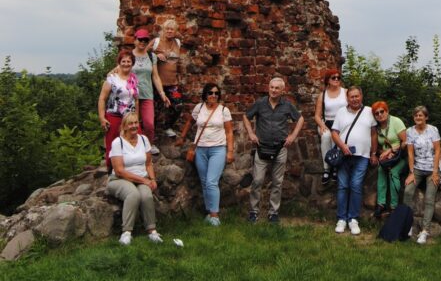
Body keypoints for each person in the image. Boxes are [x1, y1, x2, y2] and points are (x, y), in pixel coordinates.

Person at [244, 77, 304, 224]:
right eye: (272, 87)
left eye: (277, 88)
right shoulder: (260, 103)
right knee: (257, 180)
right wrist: (251, 133)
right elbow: (246, 116)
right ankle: (253, 212)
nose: (274, 90)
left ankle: (273, 213)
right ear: (268, 88)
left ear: (282, 90)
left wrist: (293, 136)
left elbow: (300, 119)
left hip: (280, 148)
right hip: (262, 147)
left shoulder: (287, 105)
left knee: (277, 182)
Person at [177, 83, 234, 225]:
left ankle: (215, 216)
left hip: (218, 149)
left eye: (216, 93)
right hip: (200, 149)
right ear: (205, 95)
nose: (213, 95)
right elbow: (190, 121)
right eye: (210, 93)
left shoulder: (223, 110)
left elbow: (229, 132)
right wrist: (182, 137)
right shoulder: (199, 108)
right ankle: (209, 213)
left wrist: (230, 151)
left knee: (211, 182)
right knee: (204, 182)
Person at [106, 111, 163, 245]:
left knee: (146, 196)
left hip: (141, 177)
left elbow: (148, 163)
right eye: (130, 123)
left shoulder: (143, 139)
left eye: (136, 122)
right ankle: (126, 233)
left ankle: (152, 231)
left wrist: (152, 179)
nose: (134, 126)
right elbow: (119, 170)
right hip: (119, 179)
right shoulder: (117, 143)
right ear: (124, 126)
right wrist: (145, 180)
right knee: (133, 194)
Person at [330, 86, 377, 236]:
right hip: (344, 155)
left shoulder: (369, 111)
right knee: (343, 186)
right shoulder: (341, 112)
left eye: (357, 96)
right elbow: (334, 133)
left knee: (356, 185)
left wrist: (374, 153)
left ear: (361, 96)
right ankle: (342, 219)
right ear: (347, 98)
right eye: (352, 97)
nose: (355, 99)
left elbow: (374, 134)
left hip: (362, 156)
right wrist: (342, 146)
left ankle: (353, 219)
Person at [404, 106, 441, 245]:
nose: (418, 118)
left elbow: (437, 151)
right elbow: (410, 153)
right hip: (417, 168)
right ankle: (408, 225)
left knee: (429, 198)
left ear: (426, 117)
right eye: (416, 115)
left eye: (421, 115)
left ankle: (425, 231)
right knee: (407, 191)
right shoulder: (410, 131)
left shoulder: (433, 130)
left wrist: (436, 172)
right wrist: (411, 173)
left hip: (432, 169)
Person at [130, 28, 170, 154]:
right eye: (140, 39)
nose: (142, 42)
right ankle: (133, 146)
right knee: (132, 123)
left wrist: (162, 93)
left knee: (149, 124)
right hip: (131, 95)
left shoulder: (151, 56)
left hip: (147, 94)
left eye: (145, 40)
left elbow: (155, 76)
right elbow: (121, 68)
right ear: (135, 40)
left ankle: (149, 144)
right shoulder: (129, 55)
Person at [97, 49, 139, 168]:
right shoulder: (112, 78)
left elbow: (136, 100)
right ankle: (112, 171)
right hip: (114, 116)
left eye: (129, 61)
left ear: (132, 63)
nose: (126, 64)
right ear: (119, 63)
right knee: (112, 144)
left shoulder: (134, 79)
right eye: (123, 61)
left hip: (129, 118)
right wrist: (102, 118)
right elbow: (102, 98)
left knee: (133, 142)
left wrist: (137, 117)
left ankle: (130, 168)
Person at [371, 101, 407, 218]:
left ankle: (393, 206)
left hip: (401, 156)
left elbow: (406, 142)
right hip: (388, 159)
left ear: (387, 111)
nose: (380, 114)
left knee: (393, 172)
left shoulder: (396, 122)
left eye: (382, 111)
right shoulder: (377, 128)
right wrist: (384, 153)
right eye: (377, 113)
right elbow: (380, 147)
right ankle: (381, 204)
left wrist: (391, 151)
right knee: (381, 170)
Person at [313, 69, 347, 185]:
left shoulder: (345, 92)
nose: (336, 79)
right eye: (333, 77)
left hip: (342, 123)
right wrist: (322, 125)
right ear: (328, 80)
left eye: (338, 77)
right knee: (326, 137)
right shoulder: (323, 95)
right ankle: (327, 168)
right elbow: (317, 116)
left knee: (337, 138)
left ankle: (336, 167)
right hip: (327, 123)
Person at [151, 18, 185, 136]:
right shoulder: (156, 42)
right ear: (163, 30)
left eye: (172, 29)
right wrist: (155, 54)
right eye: (167, 29)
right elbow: (143, 53)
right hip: (158, 84)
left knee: (178, 105)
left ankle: (167, 127)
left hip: (172, 84)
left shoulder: (177, 43)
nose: (169, 31)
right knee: (155, 110)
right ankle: (152, 135)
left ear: (175, 31)